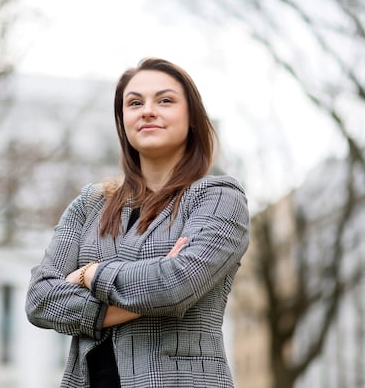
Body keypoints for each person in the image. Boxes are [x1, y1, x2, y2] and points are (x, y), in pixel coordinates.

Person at [25, 57, 250, 388]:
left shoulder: (218, 197)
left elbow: (176, 285)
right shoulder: (90, 204)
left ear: (191, 118)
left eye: (165, 100)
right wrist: (151, 290)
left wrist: (89, 274)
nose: (147, 110)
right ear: (123, 120)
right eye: (134, 103)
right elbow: (40, 300)